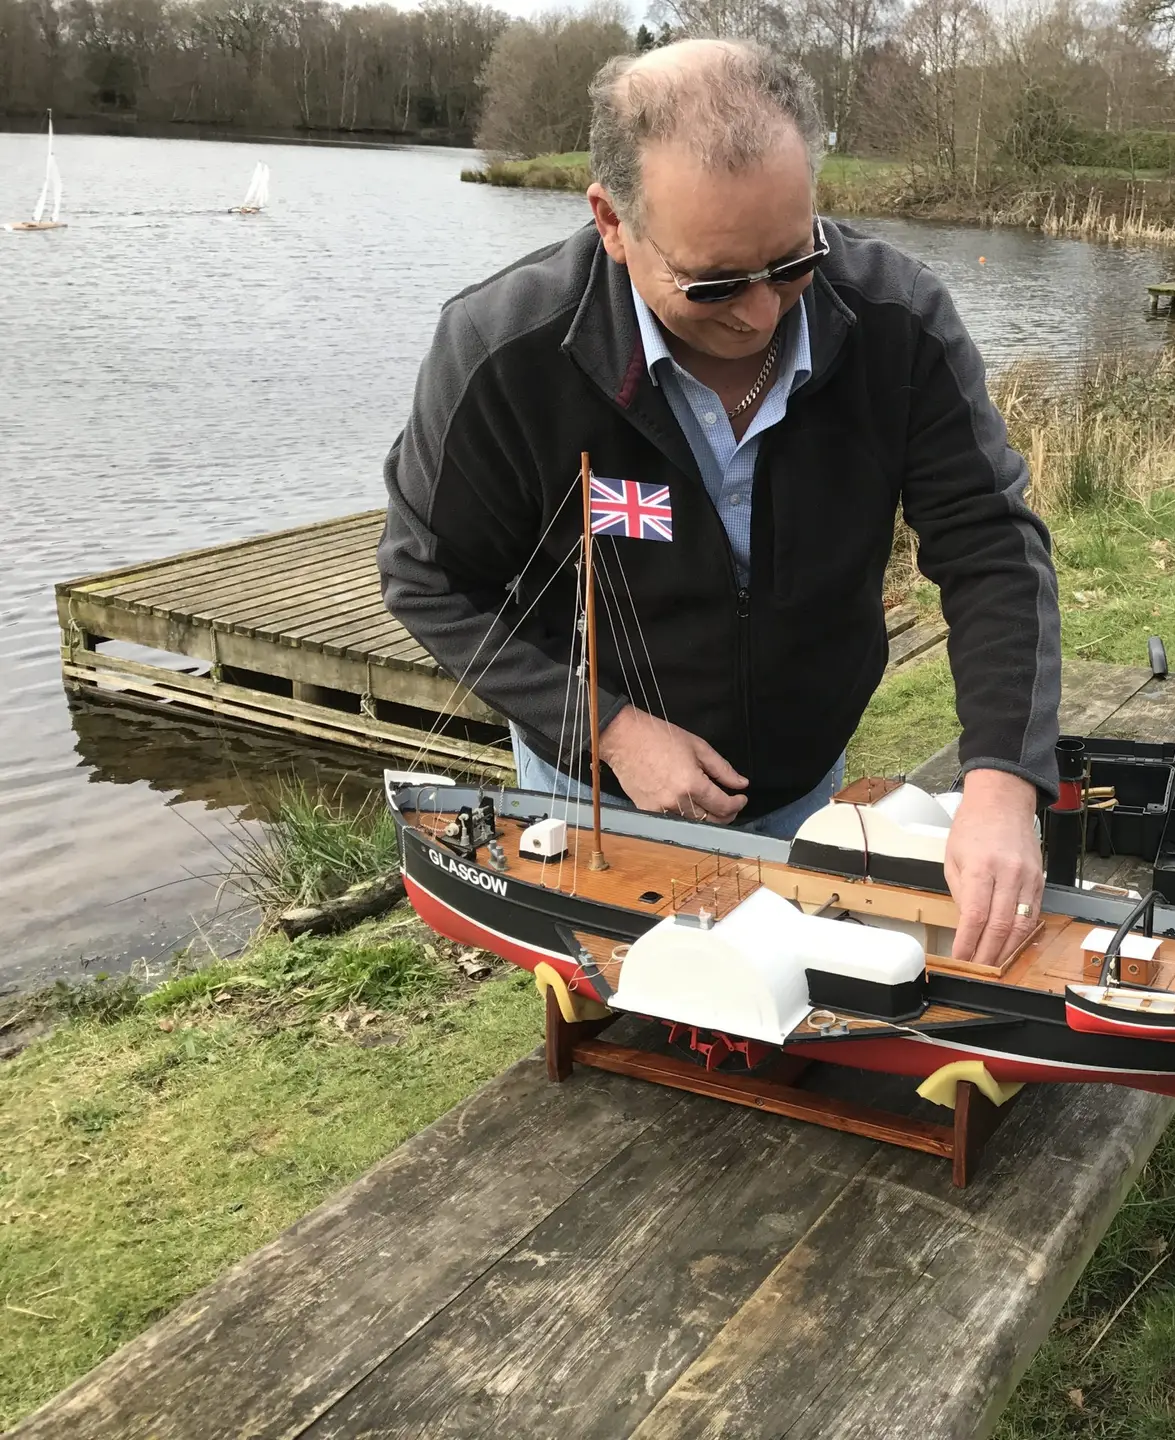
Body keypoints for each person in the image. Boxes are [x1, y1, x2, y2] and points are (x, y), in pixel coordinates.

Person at [379, 39, 1061, 966]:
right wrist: (610, 729)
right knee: (618, 1009)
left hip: (807, 779)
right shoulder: (501, 350)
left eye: (793, 261)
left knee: (792, 1004)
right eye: (714, 284)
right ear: (612, 221)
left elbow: (990, 546)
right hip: (593, 794)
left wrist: (1004, 782)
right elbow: (426, 579)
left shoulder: (900, 322)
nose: (763, 314)